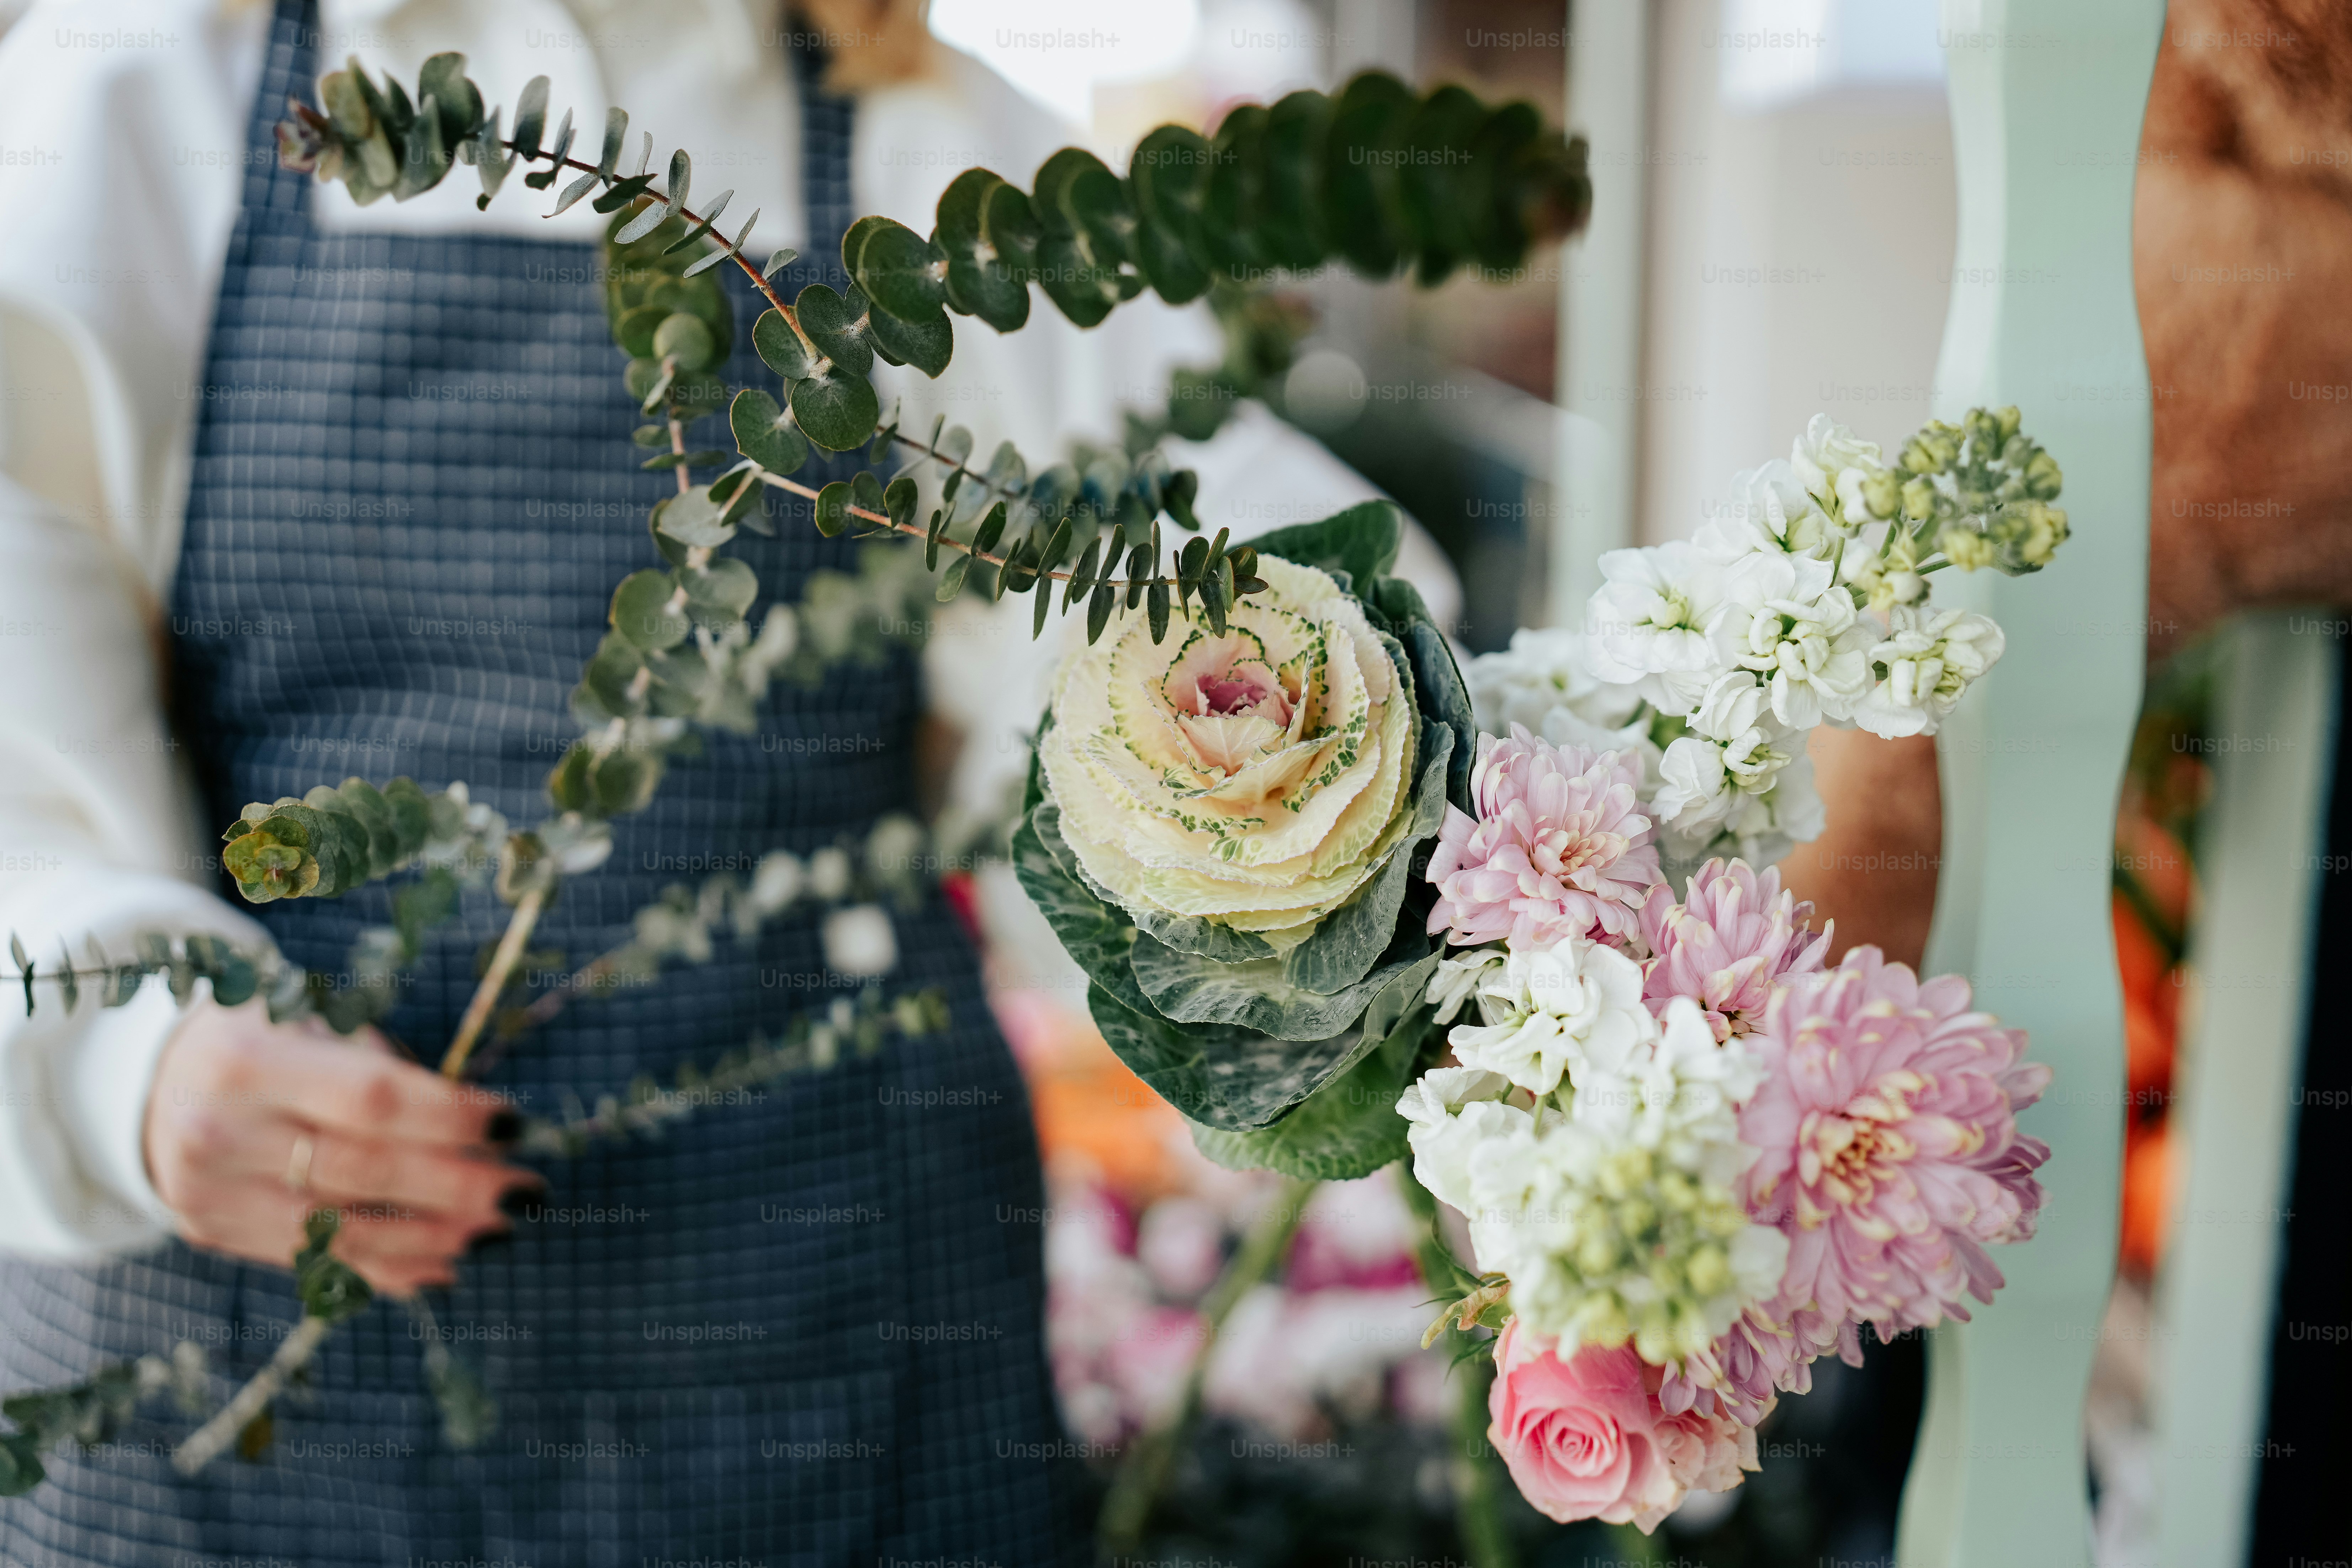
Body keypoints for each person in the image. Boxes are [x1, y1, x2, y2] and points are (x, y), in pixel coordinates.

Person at [0, 1, 1456, 1560]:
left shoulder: (940, 163)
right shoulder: (132, 104)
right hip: (227, 1380)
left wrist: (1383, 757)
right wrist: (122, 1067)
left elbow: (1256, 598)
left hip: (830, 1349)